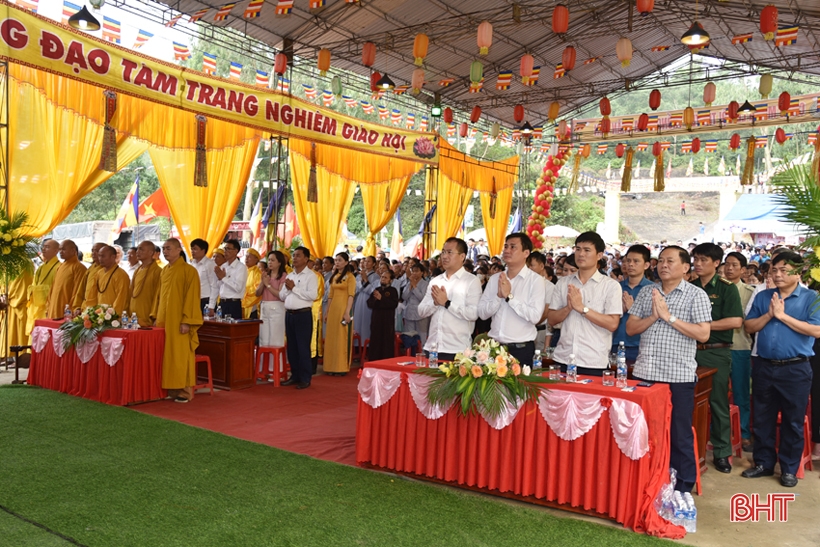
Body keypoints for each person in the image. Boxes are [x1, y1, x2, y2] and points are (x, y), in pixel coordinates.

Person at [627, 246, 712, 493]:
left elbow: (703, 334)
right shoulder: (647, 292)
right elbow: (631, 329)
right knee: (646, 432)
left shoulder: (696, 295)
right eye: (661, 260)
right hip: (645, 374)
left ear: (685, 268)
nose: (663, 265)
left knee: (679, 433)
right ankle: (648, 478)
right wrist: (654, 316)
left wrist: (669, 317)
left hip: (677, 377)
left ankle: (682, 486)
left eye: (670, 261)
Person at [742, 252, 820, 488]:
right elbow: (748, 327)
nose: (777, 274)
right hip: (764, 365)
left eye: (784, 270)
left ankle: (788, 468)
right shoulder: (764, 296)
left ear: (799, 272)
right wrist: (769, 314)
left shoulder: (811, 297)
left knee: (793, 421)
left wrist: (782, 316)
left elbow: (816, 331)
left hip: (795, 368)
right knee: (762, 418)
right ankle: (764, 463)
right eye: (774, 270)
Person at [690, 242, 743, 474]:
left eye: (704, 260)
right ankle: (691, 447)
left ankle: (722, 452)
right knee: (688, 401)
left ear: (715, 263)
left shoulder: (726, 288)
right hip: (689, 349)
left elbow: (735, 321)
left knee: (717, 402)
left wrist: (703, 326)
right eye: (696, 259)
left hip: (716, 350)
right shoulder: (688, 286)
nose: (698, 264)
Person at [548, 232, 621, 376]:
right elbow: (551, 319)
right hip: (563, 358)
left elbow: (613, 324)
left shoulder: (611, 286)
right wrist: (569, 307)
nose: (581, 254)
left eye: (587, 250)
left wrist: (582, 308)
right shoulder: (563, 283)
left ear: (599, 255)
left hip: (593, 361)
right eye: (578, 249)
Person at [478, 234, 546, 365]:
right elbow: (482, 313)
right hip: (494, 348)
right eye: (506, 246)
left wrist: (509, 297)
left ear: (526, 253)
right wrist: (498, 297)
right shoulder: (494, 279)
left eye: (513, 247)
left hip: (521, 350)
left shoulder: (535, 281)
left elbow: (535, 316)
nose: (507, 250)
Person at [151, 239, 203, 403]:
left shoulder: (189, 271)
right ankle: (171, 390)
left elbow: (192, 298)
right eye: (164, 249)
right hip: (164, 320)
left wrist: (187, 321)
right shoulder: (164, 270)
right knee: (166, 356)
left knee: (180, 356)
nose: (165, 251)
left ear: (179, 250)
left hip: (179, 321)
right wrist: (155, 316)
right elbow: (158, 296)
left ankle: (185, 392)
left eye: (169, 248)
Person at [418, 237, 482, 361]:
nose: (444, 256)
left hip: (457, 350)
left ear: (462, 256)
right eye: (443, 252)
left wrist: (447, 303)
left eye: (449, 252)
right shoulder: (435, 281)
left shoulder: (471, 281)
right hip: (432, 348)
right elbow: (421, 311)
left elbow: (473, 314)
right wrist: (435, 303)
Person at [722, 251, 756, 451]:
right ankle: (721, 432)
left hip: (740, 347)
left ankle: (743, 432)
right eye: (727, 264)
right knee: (718, 393)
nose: (729, 268)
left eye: (734, 265)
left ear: (743, 270)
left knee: (741, 392)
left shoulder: (750, 293)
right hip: (718, 348)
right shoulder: (717, 290)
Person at [279, 247, 318, 389]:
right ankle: (294, 375)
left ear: (306, 259)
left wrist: (294, 289)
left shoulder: (311, 276)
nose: (294, 258)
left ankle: (305, 377)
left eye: (298, 256)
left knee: (302, 347)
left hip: (303, 315)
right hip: (289, 314)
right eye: (293, 255)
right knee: (292, 347)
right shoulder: (290, 276)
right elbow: (282, 296)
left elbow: (312, 296)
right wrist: (288, 289)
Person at [613, 245, 653, 364]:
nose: (630, 264)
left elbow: (655, 318)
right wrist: (621, 310)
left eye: (636, 261)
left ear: (646, 265)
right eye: (627, 261)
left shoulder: (653, 289)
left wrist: (633, 309)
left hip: (641, 345)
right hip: (616, 343)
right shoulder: (616, 287)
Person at [256, 250, 288, 377]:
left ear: (279, 262)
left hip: (277, 307)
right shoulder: (266, 274)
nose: (270, 262)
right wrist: (263, 283)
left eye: (273, 260)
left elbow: (280, 295)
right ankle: (263, 371)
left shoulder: (284, 276)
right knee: (264, 340)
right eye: (269, 260)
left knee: (275, 340)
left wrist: (268, 285)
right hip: (265, 306)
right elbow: (257, 293)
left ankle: (275, 371)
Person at [324, 252, 356, 375]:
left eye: (340, 260)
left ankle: (341, 367)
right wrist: (327, 311)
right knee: (332, 337)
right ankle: (330, 366)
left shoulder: (350, 277)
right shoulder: (334, 276)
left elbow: (351, 295)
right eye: (336, 260)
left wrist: (347, 312)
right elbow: (330, 295)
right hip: (333, 310)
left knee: (342, 337)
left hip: (344, 308)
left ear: (346, 262)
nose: (337, 262)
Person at [26, 239, 60, 335]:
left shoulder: (58, 267)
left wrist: (37, 290)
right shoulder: (41, 267)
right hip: (36, 307)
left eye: (47, 247)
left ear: (56, 251)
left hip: (47, 308)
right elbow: (33, 285)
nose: (44, 249)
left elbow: (56, 290)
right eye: (43, 247)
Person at [45, 240, 87, 319]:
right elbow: (52, 288)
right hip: (53, 309)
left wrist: (72, 309)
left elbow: (78, 291)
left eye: (63, 249)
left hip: (67, 312)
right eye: (60, 249)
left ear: (73, 250)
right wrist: (48, 307)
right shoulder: (60, 266)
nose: (60, 252)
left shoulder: (79, 268)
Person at [84, 245, 130, 313]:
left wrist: (113, 315)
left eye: (103, 256)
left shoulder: (121, 275)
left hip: (112, 316)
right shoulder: (99, 273)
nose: (100, 258)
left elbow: (121, 298)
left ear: (113, 257)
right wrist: (90, 311)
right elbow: (92, 296)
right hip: (99, 315)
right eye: (99, 256)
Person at [1, 262, 33, 358]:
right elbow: (3, 281)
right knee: (8, 331)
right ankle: (8, 355)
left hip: (18, 303)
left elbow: (22, 284)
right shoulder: (6, 263)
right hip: (8, 302)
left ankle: (20, 356)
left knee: (19, 332)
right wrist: (2, 293)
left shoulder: (25, 263)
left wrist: (9, 295)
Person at [367, 269, 400, 361]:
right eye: (382, 277)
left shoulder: (393, 291)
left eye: (386, 278)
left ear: (391, 280)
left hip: (387, 321)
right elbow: (369, 303)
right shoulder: (377, 290)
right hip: (376, 320)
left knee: (386, 342)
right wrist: (375, 299)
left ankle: (386, 362)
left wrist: (382, 298)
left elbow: (394, 304)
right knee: (375, 340)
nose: (383, 279)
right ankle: (374, 361)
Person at [527, 251, 556, 351]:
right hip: (524, 330)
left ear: (541, 266)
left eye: (532, 265)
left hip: (540, 330)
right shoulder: (524, 284)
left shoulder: (549, 286)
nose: (529, 268)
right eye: (527, 265)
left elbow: (546, 311)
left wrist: (532, 324)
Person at [129, 241, 163, 327]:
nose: (137, 252)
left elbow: (158, 296)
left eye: (141, 249)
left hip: (147, 317)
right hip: (133, 316)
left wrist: (155, 316)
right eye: (137, 249)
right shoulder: (138, 270)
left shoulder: (157, 271)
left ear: (151, 253)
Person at [214, 239, 247, 320]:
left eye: (228, 249)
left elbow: (238, 288)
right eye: (225, 249)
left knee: (233, 331)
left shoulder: (241, 267)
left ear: (236, 251)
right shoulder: (223, 266)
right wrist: (219, 279)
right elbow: (218, 287)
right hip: (222, 303)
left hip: (233, 304)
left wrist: (223, 278)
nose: (225, 251)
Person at [352, 256, 379, 350]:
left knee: (366, 322)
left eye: (369, 261)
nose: (366, 263)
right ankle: (357, 346)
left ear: (374, 264)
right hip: (359, 299)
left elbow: (373, 291)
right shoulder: (359, 275)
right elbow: (355, 289)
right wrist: (362, 280)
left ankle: (366, 347)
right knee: (358, 322)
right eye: (365, 261)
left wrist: (365, 280)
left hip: (368, 300)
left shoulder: (376, 276)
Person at [401, 262, 430, 347]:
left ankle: (423, 354)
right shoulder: (409, 283)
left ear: (422, 272)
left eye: (416, 271)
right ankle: (410, 354)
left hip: (421, 313)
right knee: (409, 336)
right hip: (409, 312)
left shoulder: (426, 284)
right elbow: (404, 297)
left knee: (422, 336)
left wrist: (415, 287)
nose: (414, 273)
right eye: (413, 271)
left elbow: (423, 298)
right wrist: (410, 287)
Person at [190, 238, 219, 316]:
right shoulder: (192, 264)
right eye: (191, 249)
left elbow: (214, 286)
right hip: (194, 301)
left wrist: (211, 306)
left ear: (203, 250)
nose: (192, 251)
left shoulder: (210, 264)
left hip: (206, 302)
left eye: (195, 249)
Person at [75, 242, 105, 310]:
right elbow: (82, 288)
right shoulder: (91, 268)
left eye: (97, 251)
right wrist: (77, 306)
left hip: (99, 309)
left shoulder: (106, 270)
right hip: (85, 306)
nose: (93, 253)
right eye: (92, 251)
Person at [242, 249, 263, 319]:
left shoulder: (258, 273)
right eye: (246, 257)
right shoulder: (244, 270)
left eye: (249, 257)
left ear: (256, 259)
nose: (246, 259)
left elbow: (256, 290)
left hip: (252, 305)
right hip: (241, 303)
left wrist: (244, 293)